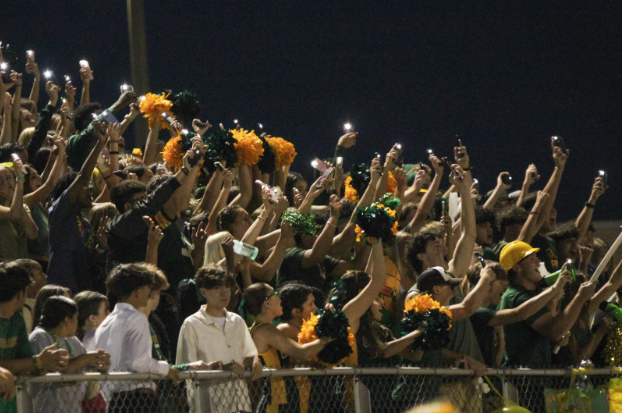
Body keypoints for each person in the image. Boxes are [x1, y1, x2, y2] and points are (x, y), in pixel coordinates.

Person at [94, 263, 180, 413]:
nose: (150, 292)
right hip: (137, 401)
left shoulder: (107, 321)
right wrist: (166, 369)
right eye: (148, 288)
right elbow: (139, 363)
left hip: (112, 401)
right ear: (138, 292)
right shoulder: (137, 318)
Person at [176, 265, 261, 413]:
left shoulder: (237, 321)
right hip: (210, 405)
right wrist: (223, 367)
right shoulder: (192, 324)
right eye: (217, 287)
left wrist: (255, 360)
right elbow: (187, 369)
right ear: (203, 292)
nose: (224, 292)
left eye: (227, 286)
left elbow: (249, 355)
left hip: (240, 403)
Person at [498, 241, 596, 367]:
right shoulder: (518, 296)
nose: (538, 262)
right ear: (517, 268)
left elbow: (551, 330)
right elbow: (555, 330)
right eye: (532, 259)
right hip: (523, 378)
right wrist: (580, 298)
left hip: (532, 377)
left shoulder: (529, 295)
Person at [244, 282, 332, 413]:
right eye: (275, 294)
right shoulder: (264, 329)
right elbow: (301, 353)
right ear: (267, 303)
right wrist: (327, 337)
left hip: (285, 398)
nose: (280, 298)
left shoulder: (268, 328)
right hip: (276, 400)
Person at [465, 262, 572, 367]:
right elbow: (519, 313)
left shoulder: (490, 311)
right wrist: (555, 288)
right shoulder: (478, 312)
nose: (505, 284)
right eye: (499, 280)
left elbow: (495, 363)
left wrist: (500, 337)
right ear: (487, 284)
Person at [46, 120, 109, 293]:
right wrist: (99, 145)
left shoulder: (85, 223)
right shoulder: (60, 212)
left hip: (82, 292)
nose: (89, 189)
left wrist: (101, 247)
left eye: (89, 185)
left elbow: (88, 261)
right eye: (84, 186)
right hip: (61, 290)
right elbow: (82, 176)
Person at [0, 262, 68, 413]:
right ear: (19, 294)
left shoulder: (16, 320)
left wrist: (41, 365)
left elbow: (25, 361)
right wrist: (37, 361)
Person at [29, 296, 110, 413]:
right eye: (76, 318)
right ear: (67, 320)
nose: (78, 322)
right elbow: (57, 369)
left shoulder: (73, 340)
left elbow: (86, 368)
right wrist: (85, 358)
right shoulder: (40, 337)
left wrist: (100, 364)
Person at [0, 159, 39, 261]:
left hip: (20, 271)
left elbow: (33, 233)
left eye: (8, 178)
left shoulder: (23, 207)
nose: (4, 183)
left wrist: (14, 198)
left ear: (14, 181)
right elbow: (14, 214)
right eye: (0, 179)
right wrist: (20, 179)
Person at [15, 258, 47, 334]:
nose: (45, 276)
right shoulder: (22, 308)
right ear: (29, 279)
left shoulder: (42, 301)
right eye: (40, 273)